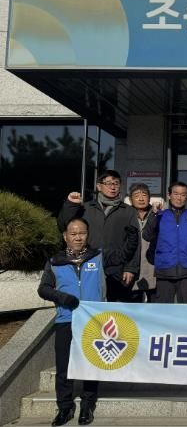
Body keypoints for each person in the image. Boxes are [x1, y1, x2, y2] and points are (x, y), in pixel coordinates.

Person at [38, 218, 103, 426]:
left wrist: (131, 239)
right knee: (64, 366)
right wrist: (62, 298)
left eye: (82, 233)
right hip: (66, 319)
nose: (78, 237)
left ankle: (87, 406)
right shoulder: (55, 261)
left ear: (87, 235)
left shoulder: (98, 257)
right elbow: (43, 289)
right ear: (65, 237)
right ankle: (65, 408)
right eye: (73, 234)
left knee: (90, 365)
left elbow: (123, 260)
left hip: (93, 320)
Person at [57, 170, 139, 303]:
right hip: (89, 264)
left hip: (117, 268)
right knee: (90, 303)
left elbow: (135, 242)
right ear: (99, 186)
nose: (112, 187)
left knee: (116, 308)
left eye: (116, 183)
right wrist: (71, 205)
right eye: (108, 183)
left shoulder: (129, 211)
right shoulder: (86, 208)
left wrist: (131, 268)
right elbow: (64, 225)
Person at [143, 182, 187, 304]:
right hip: (165, 270)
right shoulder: (159, 215)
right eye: (176, 194)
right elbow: (147, 235)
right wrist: (154, 213)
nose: (179, 198)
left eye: (183, 195)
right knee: (163, 310)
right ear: (169, 195)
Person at [128, 183, 158, 302]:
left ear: (149, 198)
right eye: (136, 195)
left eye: (144, 195)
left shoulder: (158, 214)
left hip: (154, 268)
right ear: (131, 199)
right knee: (133, 306)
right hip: (132, 268)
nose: (141, 199)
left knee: (155, 306)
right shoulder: (126, 215)